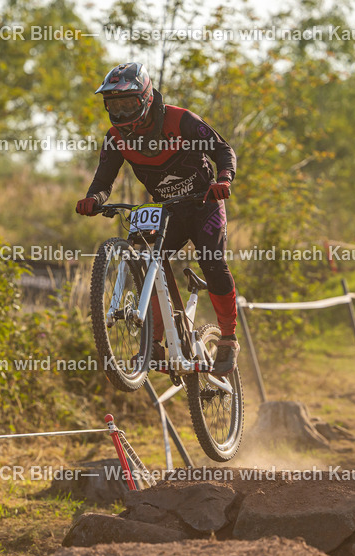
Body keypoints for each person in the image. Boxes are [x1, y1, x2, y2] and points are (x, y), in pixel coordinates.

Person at [75, 62, 240, 376]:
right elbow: (102, 181)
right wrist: (93, 200)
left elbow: (222, 149)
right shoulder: (115, 138)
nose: (121, 112)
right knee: (149, 259)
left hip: (205, 202)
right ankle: (156, 341)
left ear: (146, 98)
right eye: (114, 105)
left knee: (213, 260)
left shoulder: (181, 120)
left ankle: (229, 340)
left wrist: (225, 179)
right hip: (169, 209)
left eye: (127, 103)